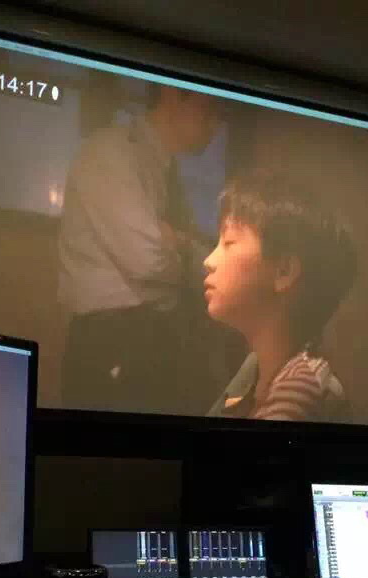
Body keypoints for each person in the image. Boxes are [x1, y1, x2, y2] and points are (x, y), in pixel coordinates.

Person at [57, 83, 221, 415]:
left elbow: (197, 258)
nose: (215, 125)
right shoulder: (111, 153)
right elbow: (148, 260)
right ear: (173, 94)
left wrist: (178, 243)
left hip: (150, 337)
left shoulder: (164, 169)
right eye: (209, 109)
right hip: (113, 341)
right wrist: (180, 250)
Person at [203, 169, 355, 421]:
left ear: (284, 271)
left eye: (228, 242)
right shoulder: (256, 366)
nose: (208, 261)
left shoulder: (301, 387)